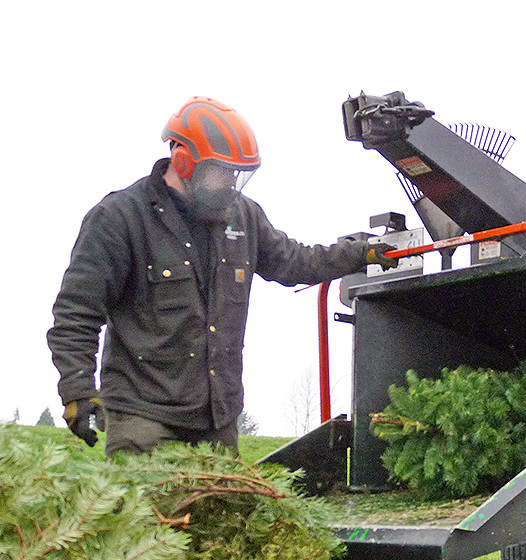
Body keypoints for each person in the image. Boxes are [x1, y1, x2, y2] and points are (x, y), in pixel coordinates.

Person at [47, 96, 396, 457]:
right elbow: (76, 314)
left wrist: (360, 253)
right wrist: (77, 390)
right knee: (154, 513)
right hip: (144, 417)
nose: (232, 181)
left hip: (217, 418)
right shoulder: (119, 219)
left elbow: (294, 262)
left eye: (237, 172)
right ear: (184, 161)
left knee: (226, 512)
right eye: (223, 171)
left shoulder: (242, 216)